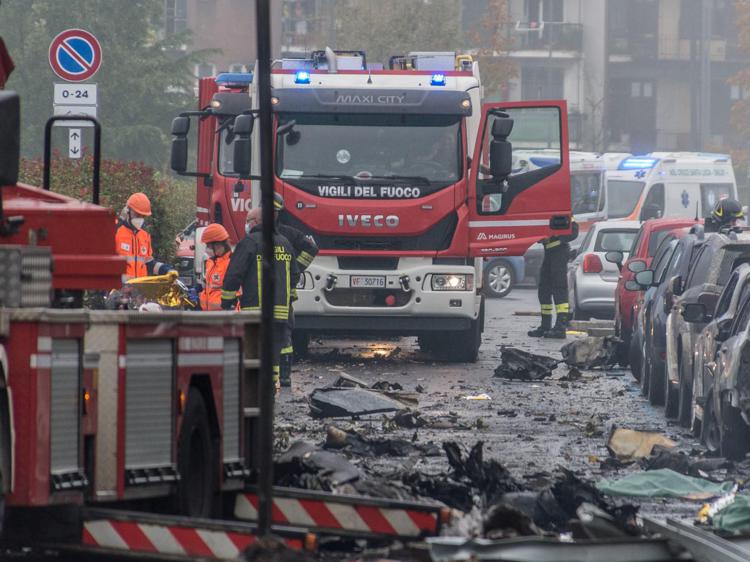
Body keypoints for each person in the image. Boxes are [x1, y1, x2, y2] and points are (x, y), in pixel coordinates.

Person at [221, 198, 298, 392]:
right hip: (280, 313)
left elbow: (234, 275)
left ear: (255, 222)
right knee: (273, 350)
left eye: (248, 220)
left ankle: (256, 386)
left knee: (255, 349)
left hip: (256, 309)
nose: (246, 224)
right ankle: (271, 385)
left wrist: (227, 301)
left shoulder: (249, 243)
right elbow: (295, 274)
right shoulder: (285, 243)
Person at [271, 194, 319, 387]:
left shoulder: (289, 234)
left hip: (284, 295)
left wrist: (294, 269)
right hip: (262, 293)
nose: (270, 214)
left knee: (284, 335)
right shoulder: (255, 235)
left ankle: (284, 375)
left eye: (274, 211)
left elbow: (311, 249)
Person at [528, 220, 579, 339]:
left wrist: (557, 236)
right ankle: (545, 326)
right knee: (544, 289)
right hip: (549, 252)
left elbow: (574, 230)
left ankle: (560, 328)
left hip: (560, 252)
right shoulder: (544, 213)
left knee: (559, 288)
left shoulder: (561, 211)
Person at [115, 192, 172, 281]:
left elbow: (149, 264)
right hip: (119, 291)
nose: (140, 219)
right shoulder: (116, 233)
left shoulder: (145, 237)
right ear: (128, 211)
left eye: (143, 216)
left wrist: (167, 270)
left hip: (140, 291)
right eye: (137, 215)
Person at [199, 223, 234, 311]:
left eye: (208, 246)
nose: (207, 249)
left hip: (224, 317)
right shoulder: (210, 262)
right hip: (208, 315)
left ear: (218, 244)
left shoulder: (232, 263)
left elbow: (235, 294)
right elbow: (209, 286)